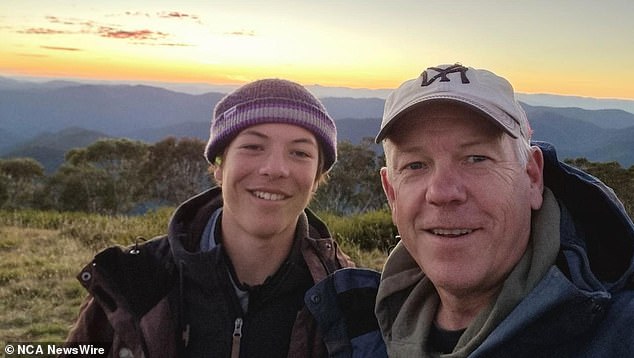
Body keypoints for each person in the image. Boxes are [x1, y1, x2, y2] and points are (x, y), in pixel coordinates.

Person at [64, 78, 386, 357]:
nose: (275, 168)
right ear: (219, 166)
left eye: (300, 152)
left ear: (317, 177)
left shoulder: (348, 300)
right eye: (252, 147)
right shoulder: (136, 284)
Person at [374, 63, 634, 357]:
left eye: (476, 158)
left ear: (532, 177)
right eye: (415, 165)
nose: (442, 192)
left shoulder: (620, 334)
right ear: (392, 194)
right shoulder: (357, 329)